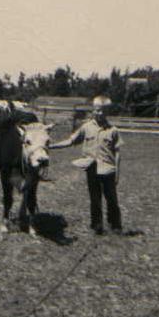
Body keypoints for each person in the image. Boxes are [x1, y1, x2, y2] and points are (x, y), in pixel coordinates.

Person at [50, 96, 124, 235]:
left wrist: (117, 174)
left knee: (112, 199)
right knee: (95, 199)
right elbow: (70, 141)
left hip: (108, 170)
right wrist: (51, 146)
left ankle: (116, 226)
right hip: (92, 169)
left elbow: (118, 153)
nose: (99, 113)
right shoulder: (86, 127)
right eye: (97, 110)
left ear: (107, 112)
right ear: (93, 110)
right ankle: (96, 225)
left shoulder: (113, 130)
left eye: (102, 111)